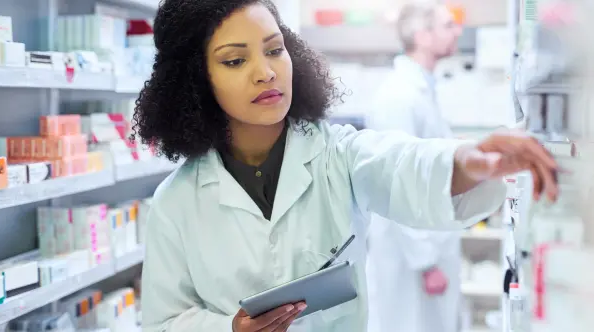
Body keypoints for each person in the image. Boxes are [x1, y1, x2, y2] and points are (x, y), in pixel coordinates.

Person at [133, 1, 559, 331]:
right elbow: (164, 321)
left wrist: (470, 157)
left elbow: (403, 165)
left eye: (274, 49)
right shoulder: (176, 202)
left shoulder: (337, 154)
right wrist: (230, 328)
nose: (265, 72)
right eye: (234, 60)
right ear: (195, 80)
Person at [365, 2, 466, 332]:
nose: (458, 31)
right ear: (422, 36)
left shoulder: (423, 90)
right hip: (411, 259)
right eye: (448, 25)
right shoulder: (398, 97)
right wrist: (426, 263)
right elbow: (399, 183)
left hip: (429, 247)